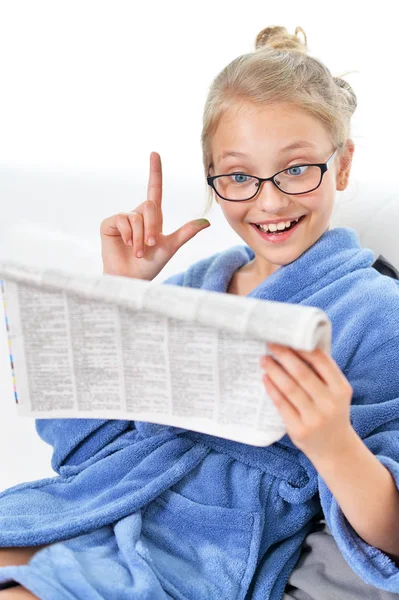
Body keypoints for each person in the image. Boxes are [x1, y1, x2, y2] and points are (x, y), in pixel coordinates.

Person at [0, 24, 399, 600]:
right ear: (213, 180)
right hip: (100, 503)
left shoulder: (377, 315)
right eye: (239, 176)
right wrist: (123, 299)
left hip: (197, 548)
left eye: (296, 168)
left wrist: (332, 443)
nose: (269, 199)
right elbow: (85, 455)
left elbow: (391, 535)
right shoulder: (194, 286)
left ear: (341, 164)